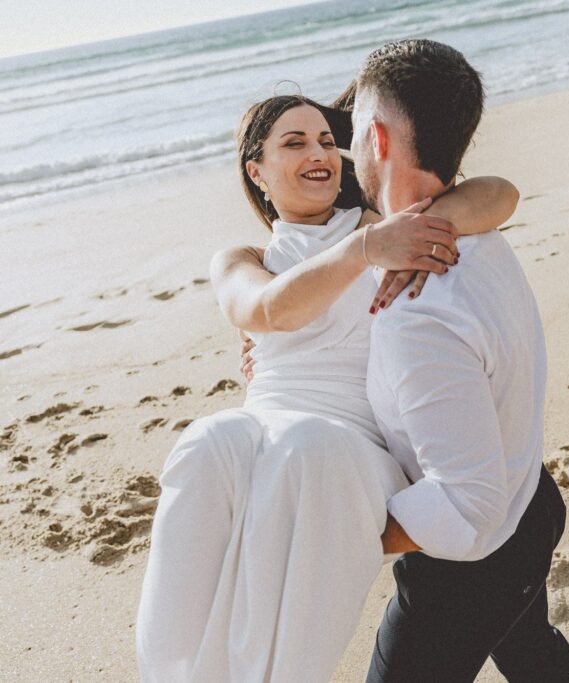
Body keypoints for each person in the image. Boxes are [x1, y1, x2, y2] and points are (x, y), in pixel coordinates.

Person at [134, 92, 519, 682]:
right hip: (266, 422)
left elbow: (499, 194)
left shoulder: (381, 224)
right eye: (293, 143)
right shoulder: (246, 257)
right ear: (255, 171)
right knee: (209, 439)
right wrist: (365, 251)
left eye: (324, 141)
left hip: (349, 440)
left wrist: (410, 228)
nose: (318, 153)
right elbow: (264, 310)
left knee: (308, 450)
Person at [348, 39, 569, 682]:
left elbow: (468, 507)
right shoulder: (471, 226)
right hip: (531, 504)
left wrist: (345, 535)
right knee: (533, 654)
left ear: (375, 137)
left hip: (471, 571)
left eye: (350, 128)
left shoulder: (417, 310)